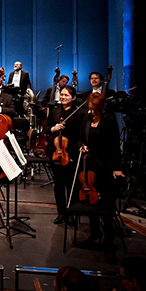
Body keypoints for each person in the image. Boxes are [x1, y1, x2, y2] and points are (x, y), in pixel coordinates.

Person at [77, 93, 123, 248]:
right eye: (90, 108)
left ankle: (109, 235)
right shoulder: (86, 119)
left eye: (94, 109)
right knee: (90, 200)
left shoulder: (109, 121)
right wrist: (81, 146)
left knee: (105, 202)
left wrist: (117, 168)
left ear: (102, 107)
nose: (91, 112)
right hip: (88, 166)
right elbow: (80, 138)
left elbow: (114, 146)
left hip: (104, 165)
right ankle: (95, 232)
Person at [46, 85, 86, 223]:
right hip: (56, 152)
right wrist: (53, 128)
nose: (63, 97)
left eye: (66, 95)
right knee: (58, 185)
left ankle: (71, 213)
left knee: (71, 185)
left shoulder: (79, 113)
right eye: (61, 95)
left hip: (71, 152)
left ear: (73, 98)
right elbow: (46, 128)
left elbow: (82, 133)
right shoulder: (55, 111)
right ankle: (61, 212)